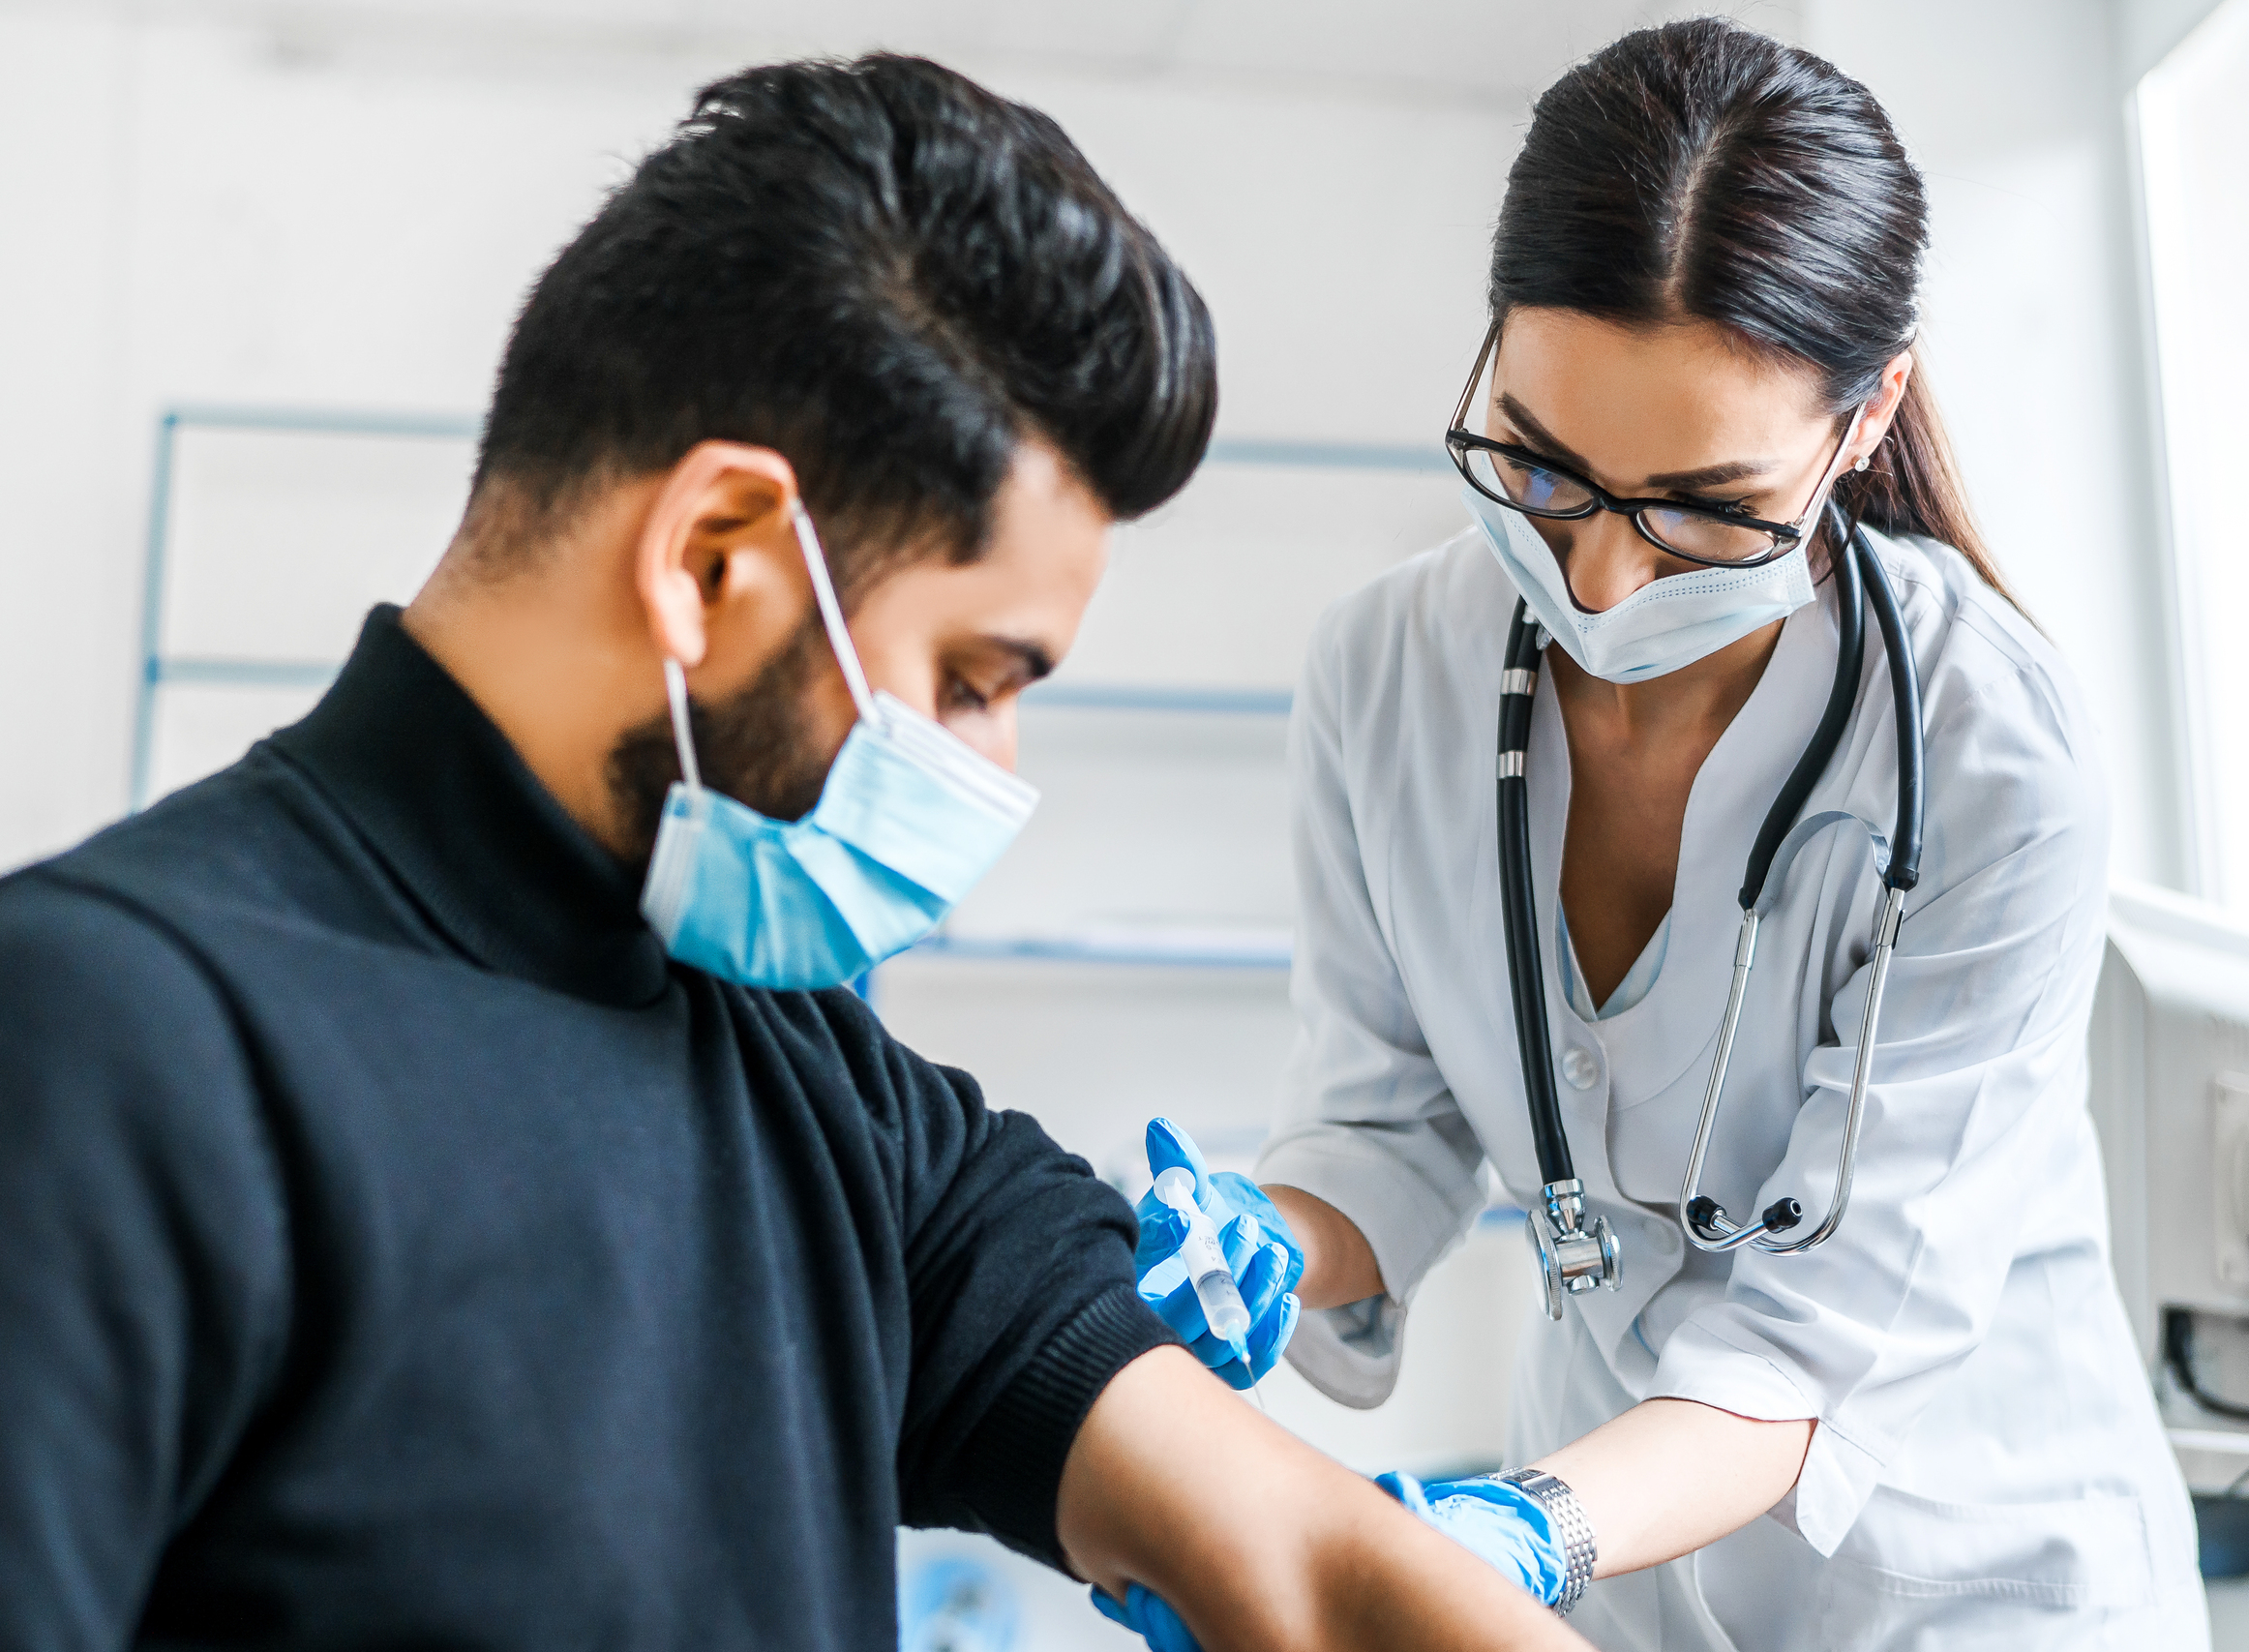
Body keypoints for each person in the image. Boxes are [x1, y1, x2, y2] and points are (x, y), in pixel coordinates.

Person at [0, 55, 1591, 1652]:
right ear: (712, 557)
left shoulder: (819, 1083)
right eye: (972, 679)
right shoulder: (104, 1045)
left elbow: (1315, 1574)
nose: (995, 766)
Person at [1130, 20, 2209, 1652]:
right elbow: (1387, 1127)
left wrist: (1514, 1536)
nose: (1598, 583)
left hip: (1971, 1584)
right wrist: (1264, 1238)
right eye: (1543, 470)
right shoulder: (1385, 670)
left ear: (1864, 422)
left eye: (1702, 507)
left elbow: (1819, 1348)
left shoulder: (1990, 757)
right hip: (1611, 1581)